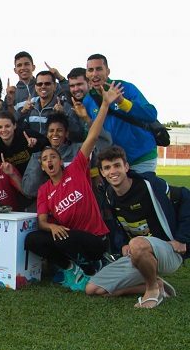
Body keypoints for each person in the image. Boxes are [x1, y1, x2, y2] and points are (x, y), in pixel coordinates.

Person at [24, 82, 122, 292]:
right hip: (69, 239)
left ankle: (97, 265)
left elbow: (93, 137)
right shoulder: (44, 190)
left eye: (53, 157)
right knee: (33, 240)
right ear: (42, 166)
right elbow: (42, 222)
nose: (49, 160)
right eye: (44, 159)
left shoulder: (76, 168)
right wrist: (52, 226)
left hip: (94, 239)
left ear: (61, 162)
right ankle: (71, 269)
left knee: (64, 237)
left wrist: (104, 105)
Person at [84, 146, 189, 308]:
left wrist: (182, 239)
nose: (113, 171)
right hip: (136, 253)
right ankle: (156, 283)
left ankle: (152, 290)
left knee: (137, 244)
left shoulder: (149, 185)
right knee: (93, 289)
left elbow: (186, 196)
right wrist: (122, 244)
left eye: (117, 165)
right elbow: (116, 225)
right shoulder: (109, 195)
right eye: (107, 168)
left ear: (126, 167)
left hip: (169, 250)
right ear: (102, 173)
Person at [82, 53, 159, 173]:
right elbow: (93, 136)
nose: (94, 74)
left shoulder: (125, 88)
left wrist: (122, 101)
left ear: (107, 71)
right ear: (86, 74)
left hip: (141, 158)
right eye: (90, 70)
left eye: (99, 69)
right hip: (114, 163)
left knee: (142, 191)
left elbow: (151, 114)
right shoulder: (88, 100)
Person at [21, 113, 111, 198]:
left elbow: (104, 144)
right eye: (51, 131)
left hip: (83, 203)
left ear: (66, 133)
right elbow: (29, 190)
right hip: (56, 209)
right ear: (47, 135)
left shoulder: (79, 149)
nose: (55, 134)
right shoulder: (38, 157)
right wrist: (40, 161)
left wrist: (87, 119)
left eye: (59, 130)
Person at [18, 71, 83, 142]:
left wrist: (63, 115)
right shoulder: (30, 107)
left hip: (58, 152)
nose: (43, 86)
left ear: (55, 86)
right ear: (36, 87)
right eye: (39, 84)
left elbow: (78, 134)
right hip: (36, 152)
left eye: (47, 83)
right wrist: (23, 112)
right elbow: (19, 132)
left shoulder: (64, 106)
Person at [7, 51, 68, 118]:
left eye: (26, 64)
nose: (23, 68)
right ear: (15, 70)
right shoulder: (12, 93)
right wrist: (11, 104)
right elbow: (10, 121)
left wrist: (60, 78)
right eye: (19, 65)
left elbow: (70, 95)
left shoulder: (46, 85)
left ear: (33, 67)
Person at [0, 111, 46, 176]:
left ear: (14, 126)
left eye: (7, 126)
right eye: (0, 127)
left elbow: (47, 141)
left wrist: (36, 141)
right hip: (11, 179)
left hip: (32, 176)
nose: (4, 130)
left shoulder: (25, 134)